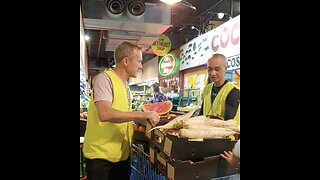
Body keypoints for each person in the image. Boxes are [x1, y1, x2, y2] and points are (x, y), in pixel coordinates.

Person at [83, 41, 160, 180]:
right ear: (126, 61)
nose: (141, 66)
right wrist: (142, 115)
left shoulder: (125, 84)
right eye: (139, 61)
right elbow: (104, 113)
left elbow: (122, 117)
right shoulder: (104, 79)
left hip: (121, 155)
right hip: (101, 156)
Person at [199, 53, 240, 124]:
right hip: (207, 133)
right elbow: (201, 114)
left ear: (225, 69)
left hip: (226, 133)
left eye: (217, 69)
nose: (212, 73)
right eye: (209, 69)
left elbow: (227, 122)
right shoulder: (207, 89)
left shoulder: (233, 91)